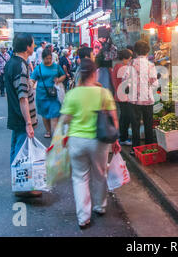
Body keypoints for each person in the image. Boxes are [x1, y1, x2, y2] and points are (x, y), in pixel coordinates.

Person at [60, 58, 121, 229]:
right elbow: (114, 120)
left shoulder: (72, 94)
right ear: (95, 73)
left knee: (79, 178)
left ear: (80, 74)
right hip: (99, 142)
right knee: (100, 174)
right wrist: (115, 140)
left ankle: (83, 218)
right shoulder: (103, 93)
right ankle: (100, 206)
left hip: (76, 141)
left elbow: (65, 120)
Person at [4, 33, 40, 197]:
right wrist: (28, 123)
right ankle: (23, 187)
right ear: (27, 47)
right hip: (21, 117)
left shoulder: (11, 63)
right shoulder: (20, 66)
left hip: (15, 115)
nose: (34, 46)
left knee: (16, 151)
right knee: (22, 153)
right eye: (33, 44)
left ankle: (19, 184)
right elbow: (23, 97)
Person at [124, 40, 158, 152]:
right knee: (148, 125)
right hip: (148, 100)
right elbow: (155, 84)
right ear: (147, 52)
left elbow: (126, 81)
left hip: (134, 101)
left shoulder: (131, 64)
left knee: (135, 125)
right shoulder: (151, 65)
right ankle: (149, 148)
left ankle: (135, 149)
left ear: (135, 52)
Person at [30, 48, 66, 138]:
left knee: (55, 113)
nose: (48, 60)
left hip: (54, 94)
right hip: (42, 94)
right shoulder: (38, 68)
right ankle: (48, 131)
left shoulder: (56, 67)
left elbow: (63, 75)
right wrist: (30, 86)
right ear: (43, 58)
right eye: (46, 58)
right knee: (45, 114)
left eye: (50, 58)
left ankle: (56, 132)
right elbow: (32, 79)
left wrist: (59, 80)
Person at [111, 49, 133, 146]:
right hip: (124, 96)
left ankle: (122, 136)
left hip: (119, 95)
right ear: (127, 58)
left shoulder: (116, 66)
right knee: (126, 117)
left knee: (124, 116)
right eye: (130, 57)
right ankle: (123, 138)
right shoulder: (123, 67)